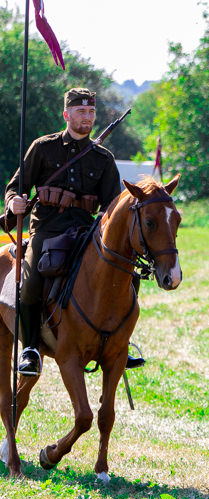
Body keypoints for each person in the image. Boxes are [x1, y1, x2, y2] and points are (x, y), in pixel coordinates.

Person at [3, 87, 143, 376]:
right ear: (67, 114)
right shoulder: (43, 147)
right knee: (28, 284)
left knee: (127, 273)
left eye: (91, 112)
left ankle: (121, 342)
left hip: (85, 231)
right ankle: (30, 349)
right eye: (81, 111)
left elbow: (112, 203)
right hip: (46, 229)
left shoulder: (103, 158)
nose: (87, 117)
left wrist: (108, 216)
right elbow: (17, 186)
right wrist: (14, 201)